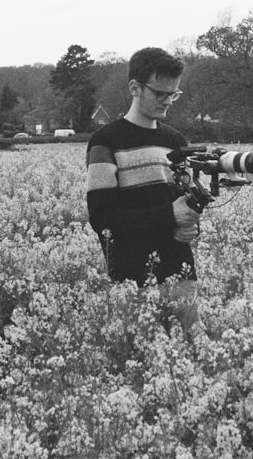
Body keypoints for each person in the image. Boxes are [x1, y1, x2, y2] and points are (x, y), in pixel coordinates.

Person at [86, 47, 201, 328]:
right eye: (160, 93)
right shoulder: (105, 142)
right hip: (132, 280)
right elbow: (102, 219)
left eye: (173, 93)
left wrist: (191, 223)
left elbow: (182, 204)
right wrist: (169, 215)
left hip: (181, 273)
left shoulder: (176, 141)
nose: (168, 101)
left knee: (194, 352)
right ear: (134, 88)